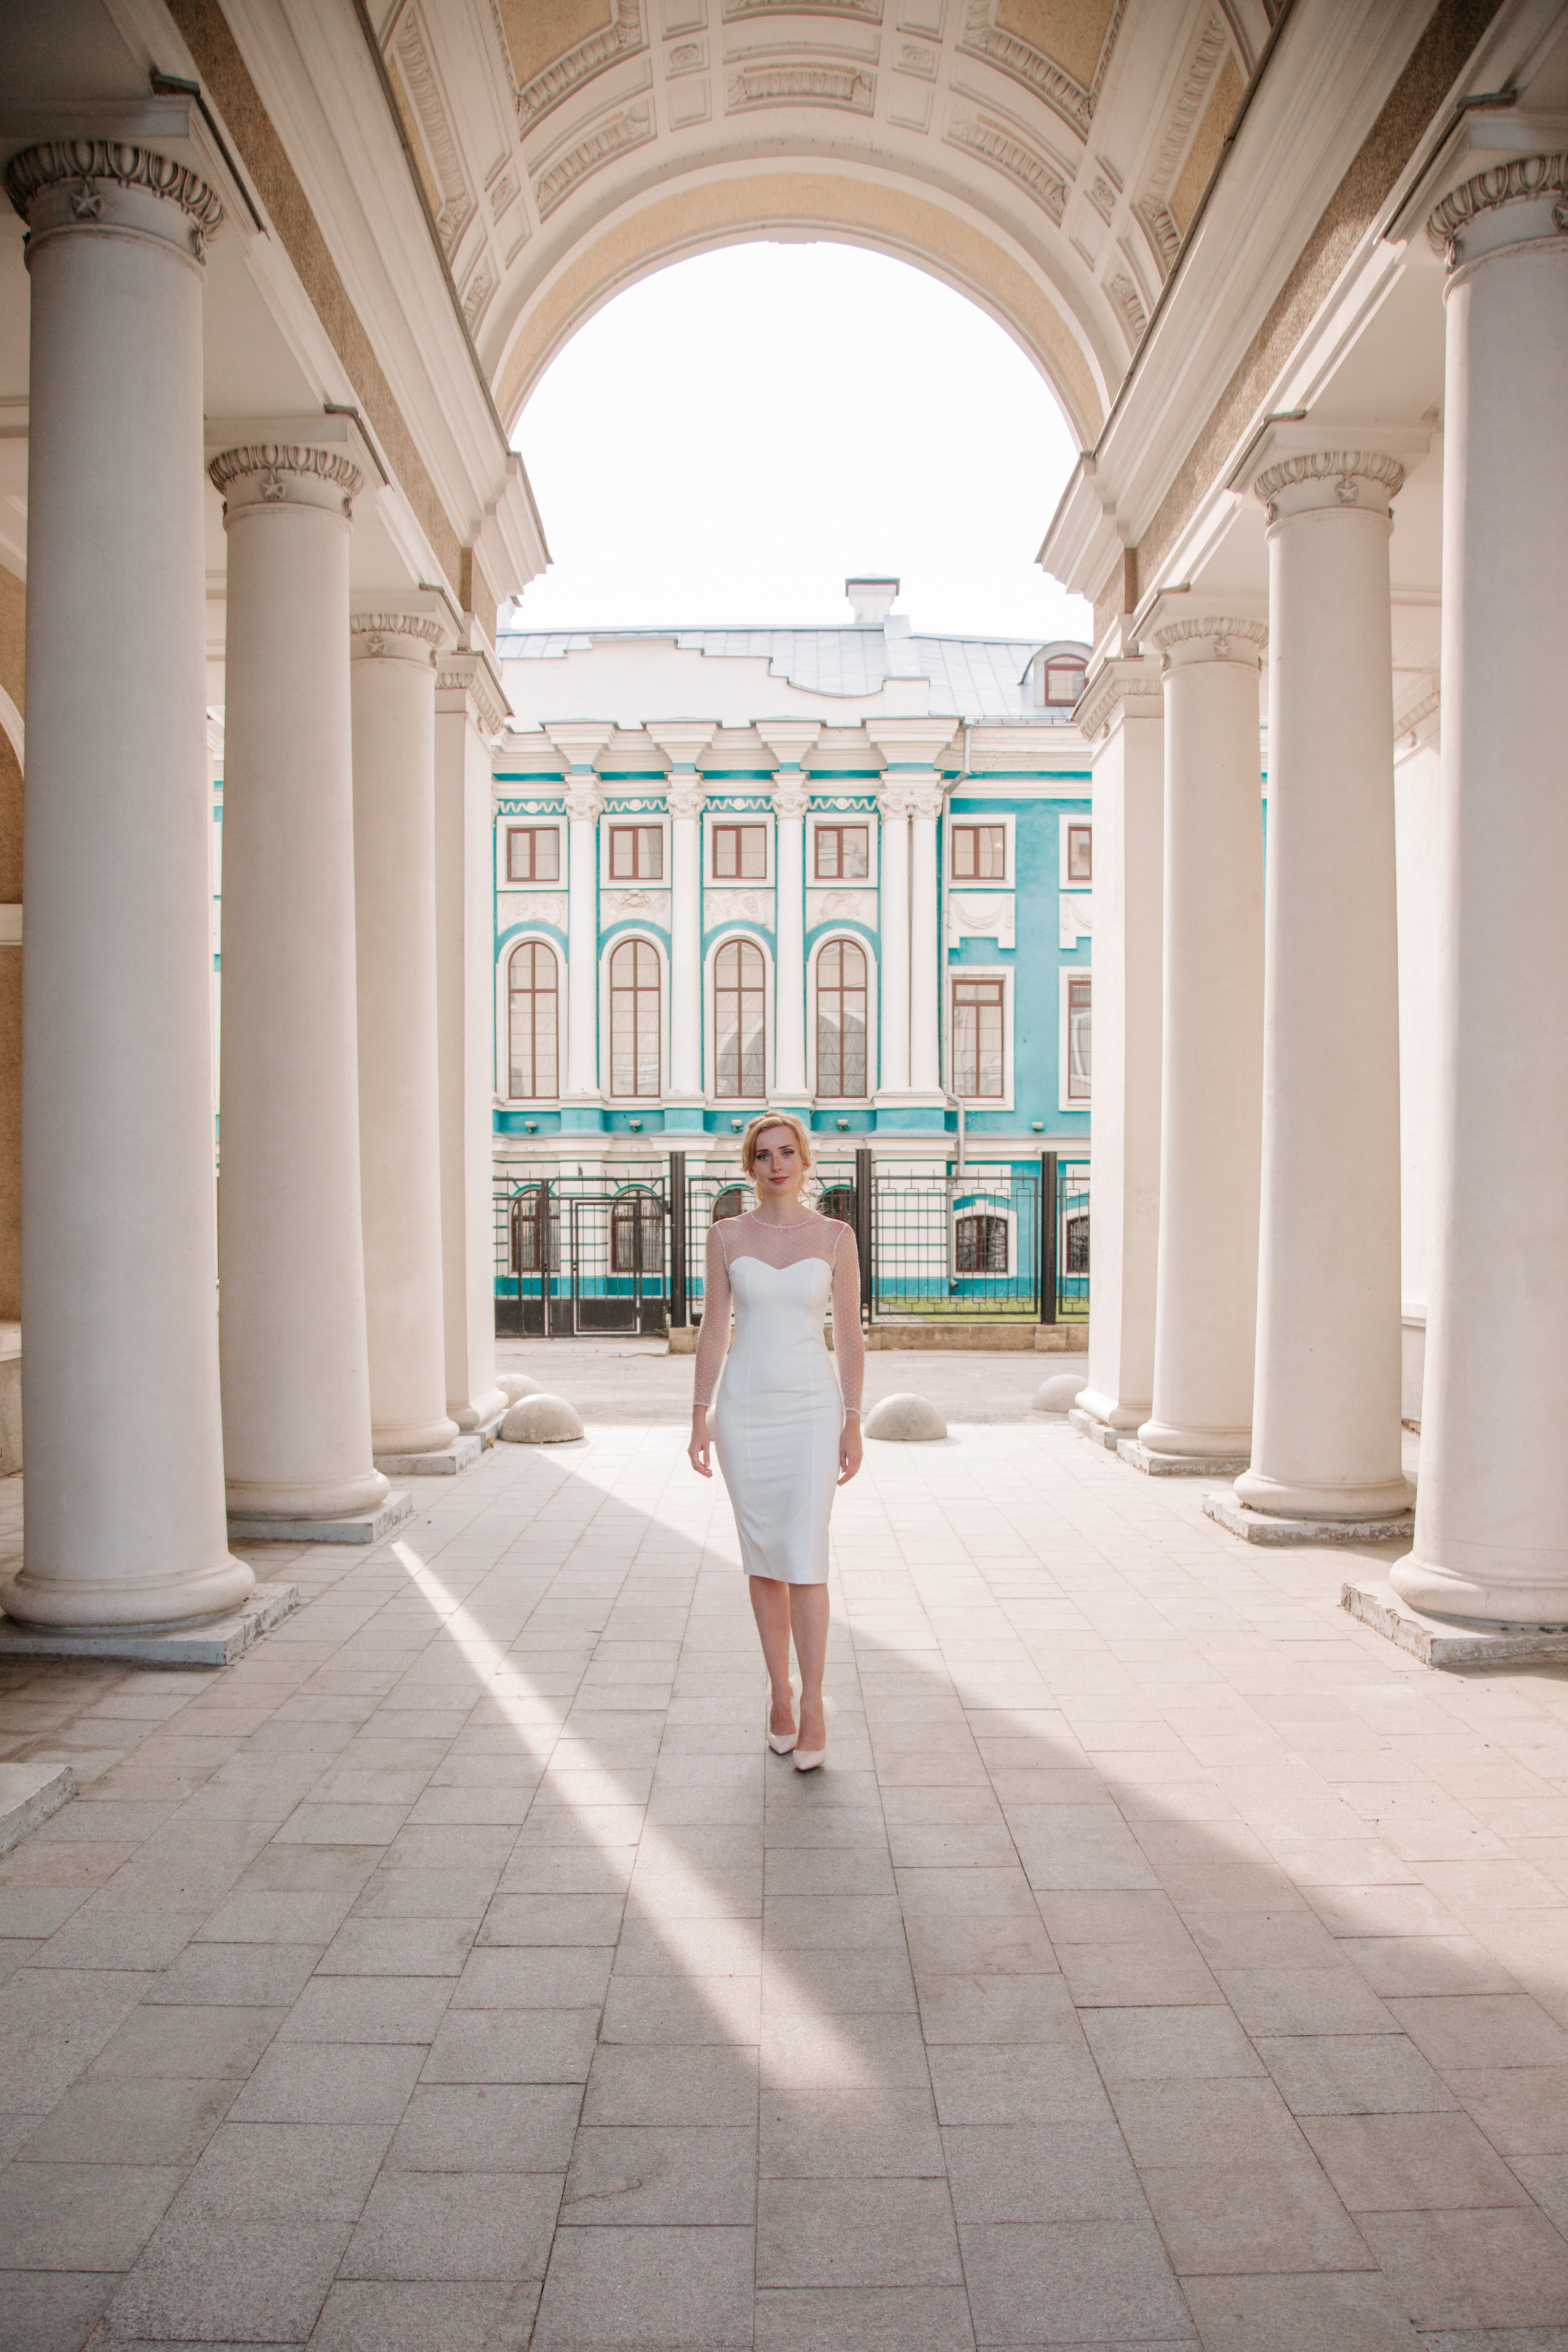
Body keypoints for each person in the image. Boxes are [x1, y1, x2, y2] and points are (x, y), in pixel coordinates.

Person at [687, 1112, 864, 1771]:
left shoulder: (836, 1235)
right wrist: (699, 1413)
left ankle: (814, 1702)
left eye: (788, 1152)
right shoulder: (726, 1235)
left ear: (805, 1158)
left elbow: (848, 1336)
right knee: (764, 1558)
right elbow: (713, 1329)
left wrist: (852, 1418)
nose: (777, 1164)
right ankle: (779, 1696)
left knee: (806, 1557)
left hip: (814, 1410)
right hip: (744, 1410)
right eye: (763, 1156)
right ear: (749, 1166)